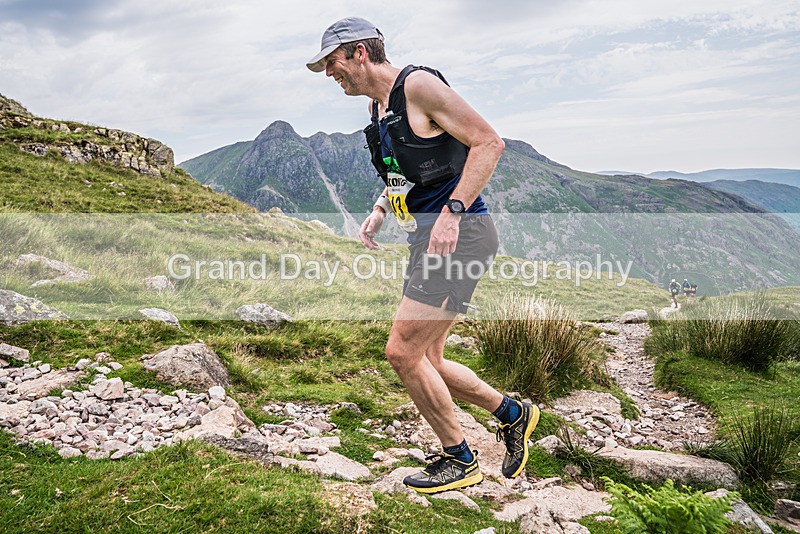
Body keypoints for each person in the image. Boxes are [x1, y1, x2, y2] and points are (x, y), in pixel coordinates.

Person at [307, 17, 539, 494]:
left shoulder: (418, 85)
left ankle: (459, 460)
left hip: (461, 234)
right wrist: (377, 210)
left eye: (333, 63)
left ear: (359, 54)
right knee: (428, 355)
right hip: (428, 237)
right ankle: (514, 414)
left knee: (402, 351)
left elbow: (489, 142)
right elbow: (402, 169)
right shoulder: (378, 108)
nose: (330, 74)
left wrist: (455, 211)